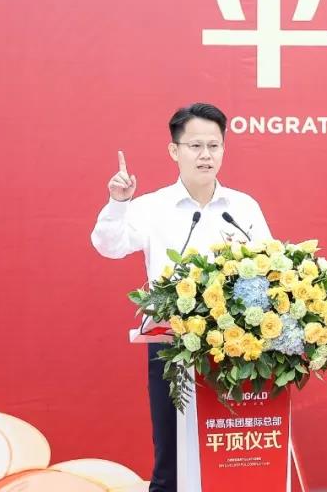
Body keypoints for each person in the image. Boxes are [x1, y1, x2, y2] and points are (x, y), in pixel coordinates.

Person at [90, 102, 271, 492]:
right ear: (175, 150)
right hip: (171, 344)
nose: (205, 155)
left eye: (213, 146)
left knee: (234, 459)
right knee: (171, 462)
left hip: (236, 346)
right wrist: (118, 203)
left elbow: (270, 268)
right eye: (195, 146)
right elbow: (109, 245)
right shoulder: (152, 207)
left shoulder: (243, 207)